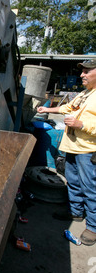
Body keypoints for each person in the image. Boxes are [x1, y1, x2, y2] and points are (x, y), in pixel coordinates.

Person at [37, 59, 96, 246]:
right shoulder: (85, 94)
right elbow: (67, 108)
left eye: (87, 71)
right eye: (82, 71)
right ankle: (76, 212)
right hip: (72, 147)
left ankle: (93, 227)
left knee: (90, 188)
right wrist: (48, 108)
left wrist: (81, 125)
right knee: (73, 182)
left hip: (88, 150)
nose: (82, 75)